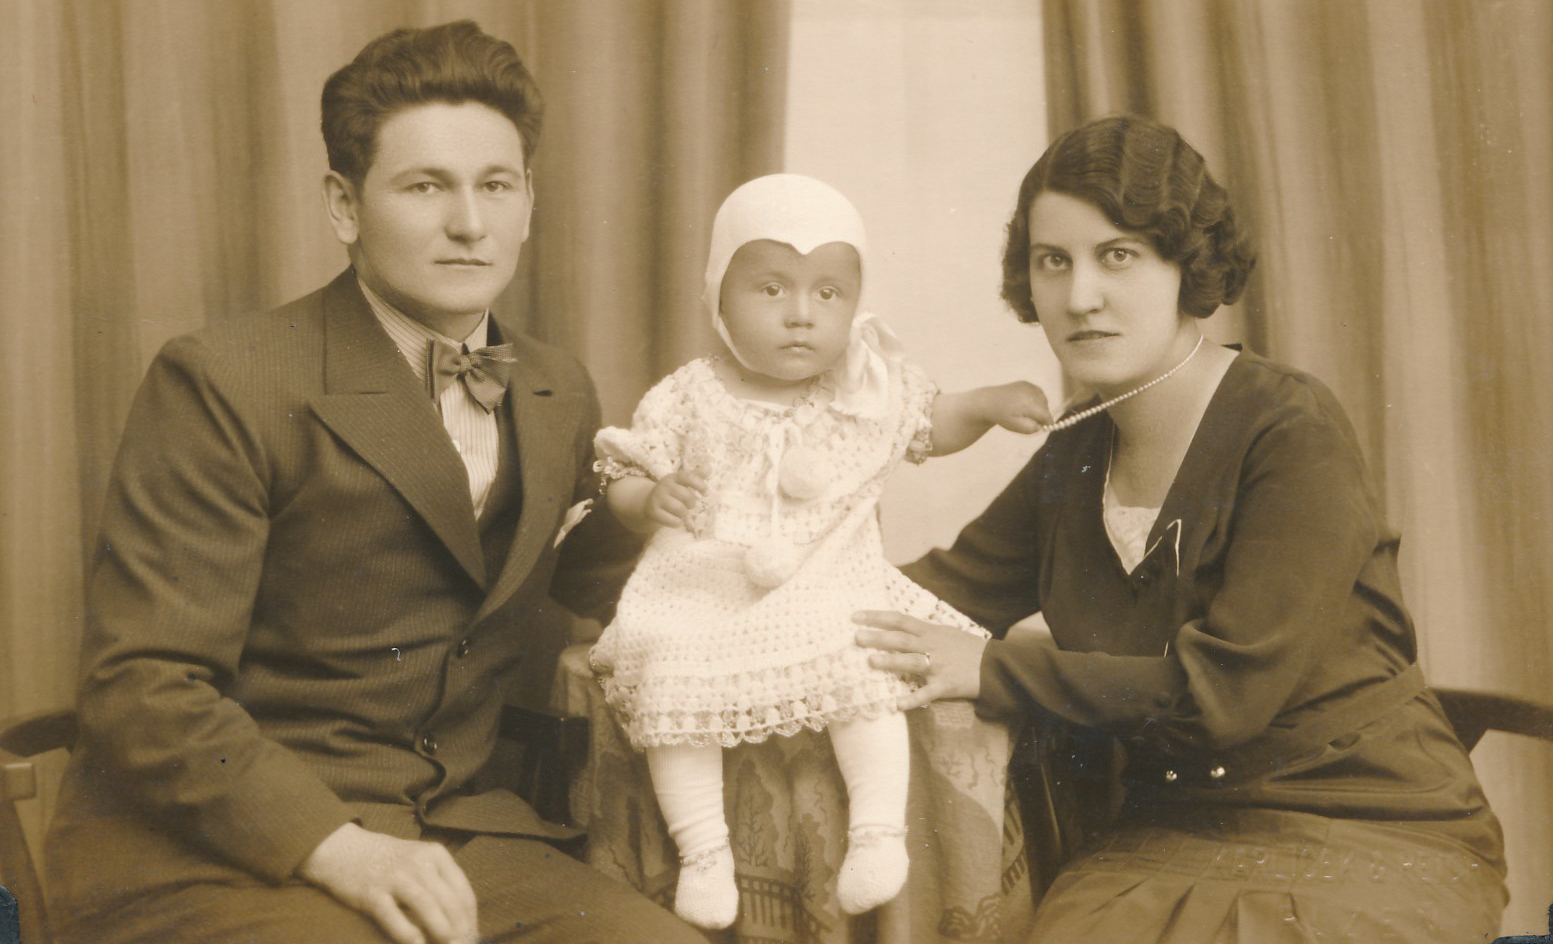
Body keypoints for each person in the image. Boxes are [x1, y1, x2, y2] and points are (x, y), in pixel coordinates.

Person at [44, 20, 705, 944]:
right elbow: (142, 685)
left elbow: (612, 584)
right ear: (344, 206)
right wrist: (339, 849)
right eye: (426, 186)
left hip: (453, 835)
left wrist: (828, 601)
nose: (469, 224)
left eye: (495, 185)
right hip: (223, 846)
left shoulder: (555, 388)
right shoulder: (223, 379)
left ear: (528, 204)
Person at [853, 115, 1509, 943]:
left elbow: (1220, 698)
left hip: (1373, 821)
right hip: (1169, 833)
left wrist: (989, 668)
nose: (1078, 297)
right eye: (1052, 261)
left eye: (1116, 255)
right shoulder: (1075, 451)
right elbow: (929, 597)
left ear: (1184, 263)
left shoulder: (1289, 429)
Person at [587, 174, 1049, 929]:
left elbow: (930, 423)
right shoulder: (689, 394)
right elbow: (626, 469)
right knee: (670, 675)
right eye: (771, 289)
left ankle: (877, 834)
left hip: (825, 576)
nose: (801, 313)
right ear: (719, 294)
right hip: (705, 580)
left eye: (828, 293)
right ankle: (703, 851)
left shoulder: (863, 386)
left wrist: (988, 405)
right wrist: (648, 498)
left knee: (861, 665)